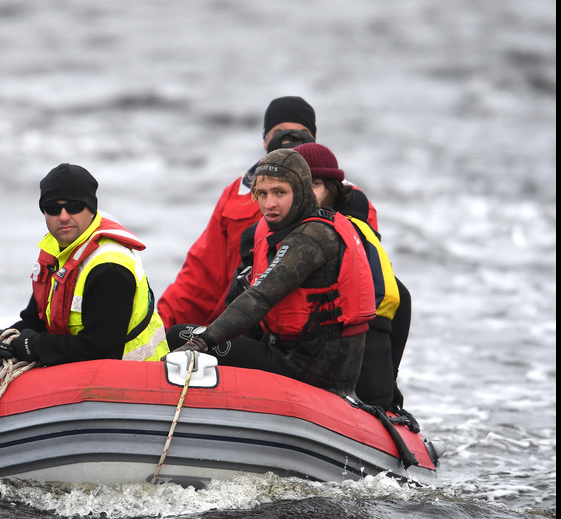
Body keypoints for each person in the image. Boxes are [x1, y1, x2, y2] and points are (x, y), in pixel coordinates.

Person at [156, 96, 379, 329]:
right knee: (177, 333)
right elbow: (201, 279)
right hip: (241, 325)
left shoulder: (348, 197)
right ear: (265, 141)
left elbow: (369, 278)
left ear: (313, 138)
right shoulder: (237, 195)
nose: (290, 139)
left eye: (301, 132)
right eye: (280, 132)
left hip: (314, 334)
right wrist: (160, 329)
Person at [168, 149, 376, 398]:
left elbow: (259, 297)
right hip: (298, 355)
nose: (269, 204)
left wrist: (201, 342)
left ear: (300, 191)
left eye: (280, 192)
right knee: (189, 333)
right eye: (262, 194)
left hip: (307, 370)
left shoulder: (312, 237)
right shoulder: (297, 228)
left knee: (178, 335)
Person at [0, 163, 170, 367]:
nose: (63, 216)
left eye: (74, 206)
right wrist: (0, 340)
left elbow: (101, 350)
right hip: (82, 376)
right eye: (53, 208)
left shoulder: (110, 266)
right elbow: (34, 321)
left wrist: (33, 346)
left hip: (136, 378)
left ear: (91, 209)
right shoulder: (56, 252)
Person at [292, 142, 407, 410]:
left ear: (332, 189)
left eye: (315, 184)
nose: (306, 194)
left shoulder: (327, 237)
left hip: (339, 369)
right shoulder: (358, 233)